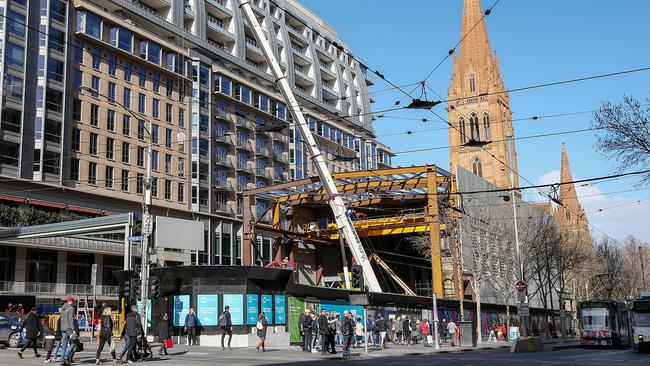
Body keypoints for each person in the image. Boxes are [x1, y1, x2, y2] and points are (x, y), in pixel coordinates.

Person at [59, 296, 76, 363]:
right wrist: (73, 329)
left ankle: (62, 360)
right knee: (75, 342)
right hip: (68, 328)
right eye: (73, 301)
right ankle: (66, 356)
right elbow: (71, 320)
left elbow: (62, 319)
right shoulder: (71, 308)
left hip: (63, 328)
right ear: (71, 301)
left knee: (64, 345)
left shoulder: (63, 308)